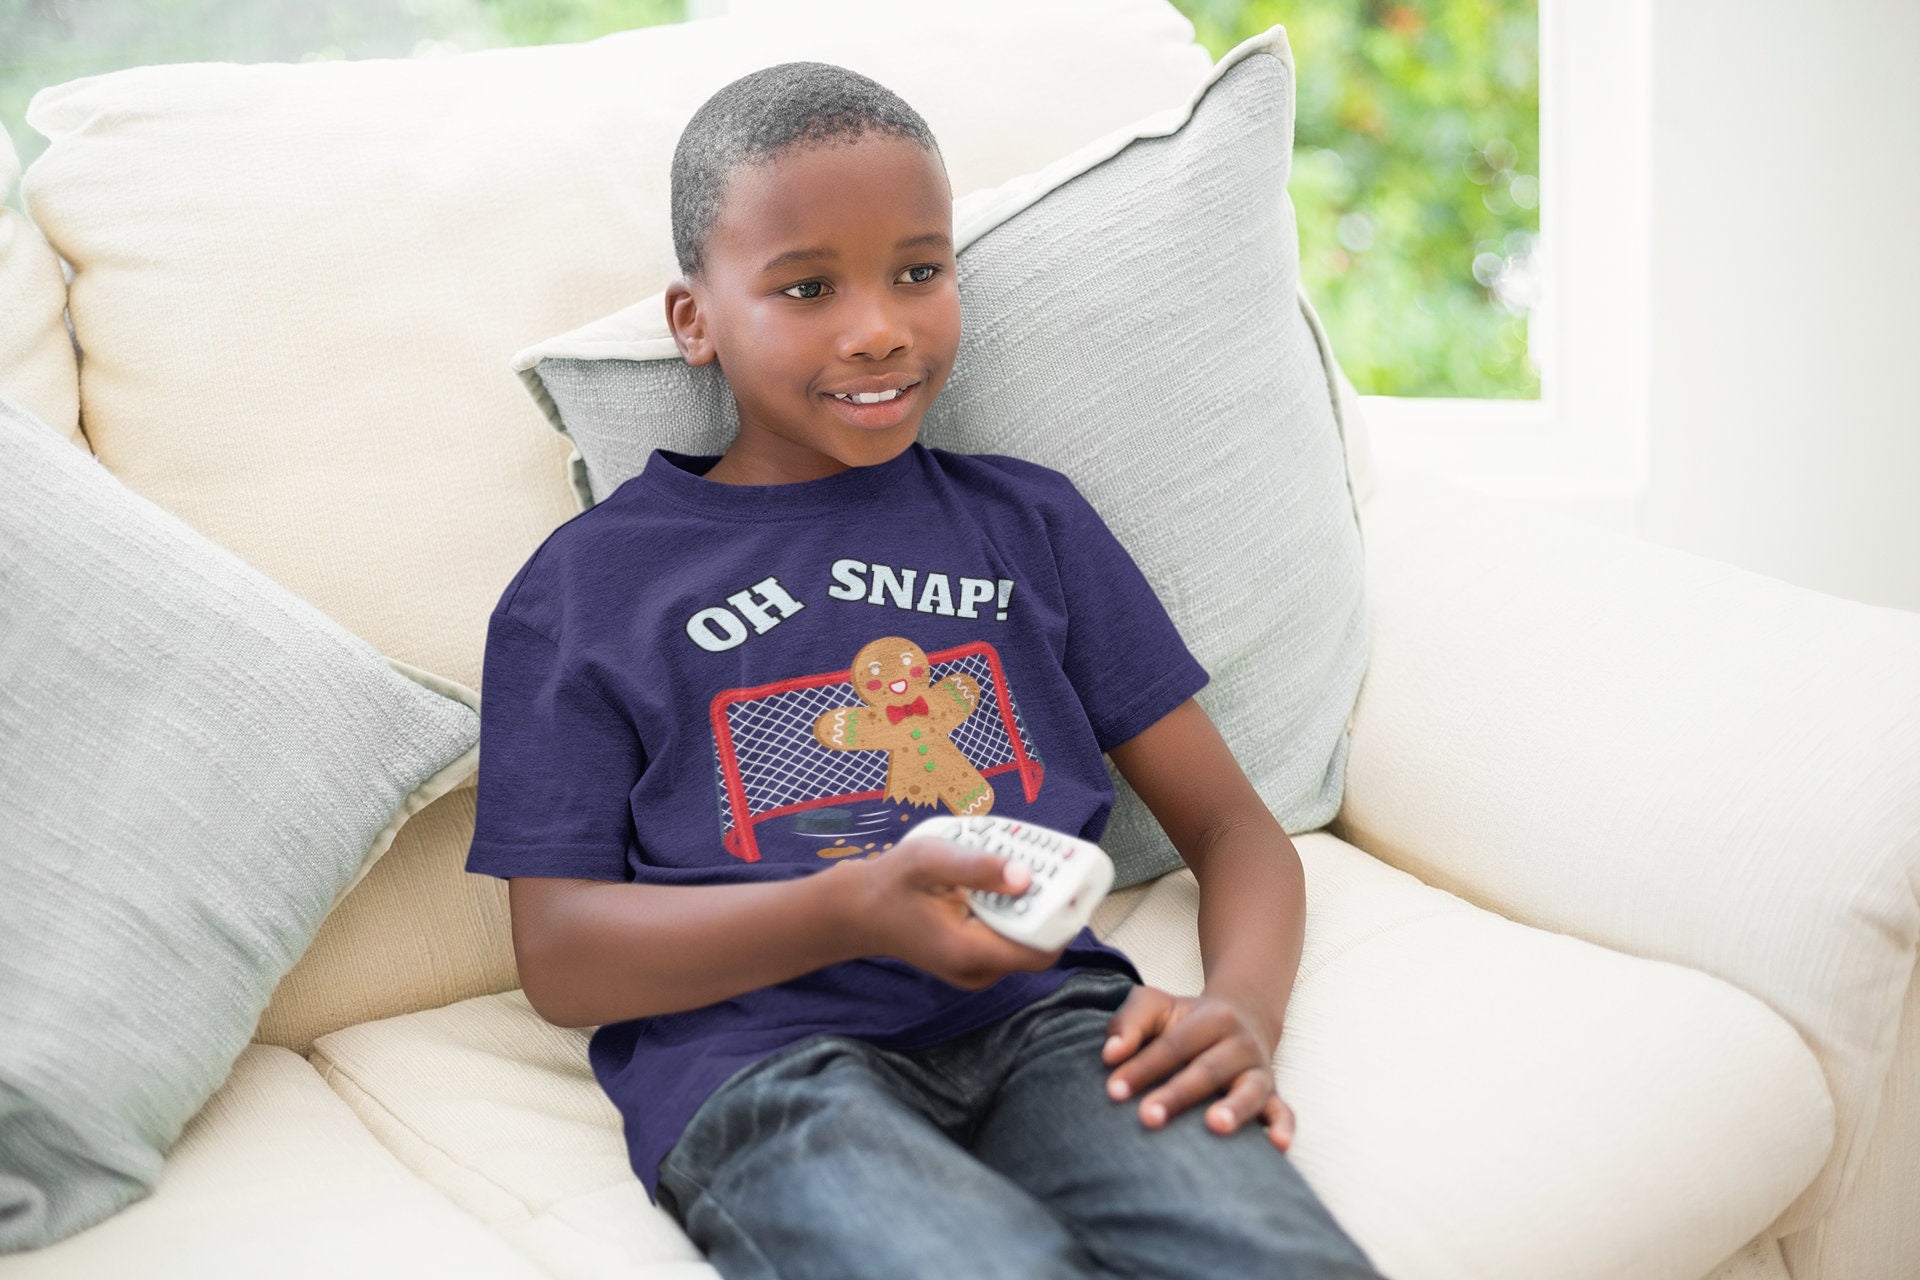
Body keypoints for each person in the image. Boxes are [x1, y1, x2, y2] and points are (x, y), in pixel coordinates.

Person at [465, 58, 1388, 1280]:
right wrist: (848, 907)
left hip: (1054, 1024)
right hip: (758, 1067)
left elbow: (1232, 827)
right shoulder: (584, 587)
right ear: (694, 320)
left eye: (919, 269)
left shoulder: (1030, 523)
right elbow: (564, 957)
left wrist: (1243, 1014)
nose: (880, 327)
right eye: (805, 287)